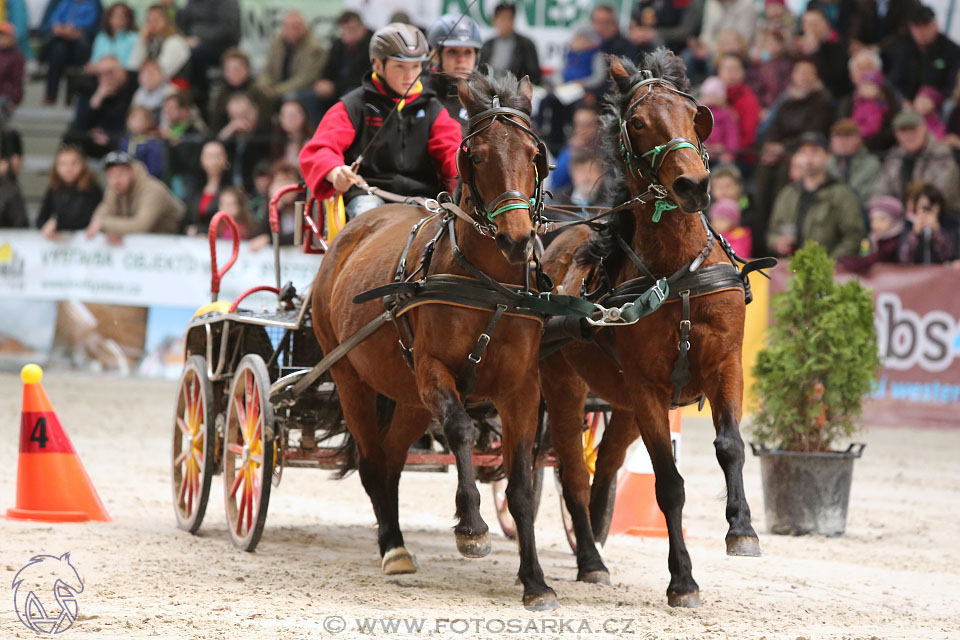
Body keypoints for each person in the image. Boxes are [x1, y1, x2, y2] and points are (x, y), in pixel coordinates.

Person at [299, 23, 461, 219]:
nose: (409, 76)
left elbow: (453, 157)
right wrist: (335, 172)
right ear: (377, 65)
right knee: (369, 220)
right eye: (399, 66)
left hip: (425, 199)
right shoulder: (354, 105)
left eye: (416, 66)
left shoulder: (433, 109)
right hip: (367, 196)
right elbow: (319, 150)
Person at [767, 132, 865, 258]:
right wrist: (777, 243)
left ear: (827, 156)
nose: (808, 159)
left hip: (828, 272)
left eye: (814, 152)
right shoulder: (788, 193)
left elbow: (854, 237)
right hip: (790, 268)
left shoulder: (842, 194)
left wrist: (829, 263)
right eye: (803, 152)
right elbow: (772, 232)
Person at [86, 150, 185, 240]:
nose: (116, 180)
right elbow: (100, 214)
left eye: (121, 173)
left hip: (178, 240)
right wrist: (112, 229)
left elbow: (142, 225)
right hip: (148, 244)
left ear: (132, 172)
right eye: (111, 175)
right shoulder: (114, 188)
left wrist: (106, 225)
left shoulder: (152, 189)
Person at [872, 109, 960, 210]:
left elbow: (941, 194)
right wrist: (881, 209)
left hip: (941, 215)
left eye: (913, 129)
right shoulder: (895, 156)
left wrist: (914, 211)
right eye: (903, 130)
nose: (908, 135)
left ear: (924, 129)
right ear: (896, 134)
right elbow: (879, 189)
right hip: (902, 217)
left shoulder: (941, 154)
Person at [884, 5, 960, 101]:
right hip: (906, 105)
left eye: (925, 25)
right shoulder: (901, 49)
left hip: (937, 105)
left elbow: (951, 86)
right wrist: (903, 101)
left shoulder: (952, 51)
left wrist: (933, 101)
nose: (921, 31)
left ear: (935, 25)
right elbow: (895, 82)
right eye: (917, 26)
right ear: (911, 29)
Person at [65, 55, 136, 158]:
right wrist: (95, 101)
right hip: (92, 141)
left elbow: (133, 124)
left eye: (110, 72)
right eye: (101, 74)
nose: (106, 78)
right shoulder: (89, 88)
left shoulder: (133, 88)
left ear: (123, 72)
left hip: (118, 141)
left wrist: (110, 138)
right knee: (70, 137)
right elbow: (79, 124)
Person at [176, 0, 241, 111]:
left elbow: (228, 29)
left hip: (222, 45)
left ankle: (200, 99)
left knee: (195, 55)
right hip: (193, 42)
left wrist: (200, 38)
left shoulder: (228, 3)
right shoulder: (192, 3)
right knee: (176, 49)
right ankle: (178, 95)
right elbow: (183, 22)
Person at [309, 10, 372, 123]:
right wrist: (322, 82)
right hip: (337, 88)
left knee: (349, 96)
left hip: (359, 89)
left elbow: (364, 76)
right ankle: (321, 132)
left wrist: (334, 86)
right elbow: (328, 68)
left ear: (363, 27)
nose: (348, 34)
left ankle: (346, 134)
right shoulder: (339, 44)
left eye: (352, 30)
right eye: (345, 30)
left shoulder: (373, 45)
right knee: (308, 97)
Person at [426, 13, 483, 131]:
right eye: (452, 51)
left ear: (476, 57)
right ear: (436, 56)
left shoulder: (486, 99)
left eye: (468, 52)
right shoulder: (420, 94)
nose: (461, 59)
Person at [257, 11, 326, 105]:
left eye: (296, 27)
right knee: (256, 90)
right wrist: (264, 85)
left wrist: (276, 91)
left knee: (289, 96)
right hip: (276, 86)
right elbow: (268, 68)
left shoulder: (314, 48)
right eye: (288, 26)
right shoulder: (277, 40)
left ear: (304, 27)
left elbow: (304, 79)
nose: (292, 30)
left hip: (300, 90)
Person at [40, 0, 102, 105]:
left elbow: (95, 26)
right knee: (58, 50)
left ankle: (78, 94)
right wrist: (60, 30)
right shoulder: (63, 2)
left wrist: (78, 31)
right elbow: (50, 23)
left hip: (81, 47)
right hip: (61, 44)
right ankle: (51, 95)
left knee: (77, 44)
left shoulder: (94, 4)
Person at [37, 144, 103, 238]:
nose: (68, 169)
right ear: (56, 166)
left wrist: (56, 223)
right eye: (63, 164)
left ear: (84, 164)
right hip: (59, 245)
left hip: (87, 244)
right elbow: (41, 219)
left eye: (74, 163)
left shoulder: (92, 189)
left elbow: (83, 220)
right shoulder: (54, 188)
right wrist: (46, 226)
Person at [218, 92, 271, 195]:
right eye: (234, 117)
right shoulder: (230, 138)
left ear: (255, 112)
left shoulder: (265, 135)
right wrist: (227, 132)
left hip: (255, 192)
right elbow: (214, 149)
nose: (239, 123)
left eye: (244, 115)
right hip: (230, 192)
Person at [207, 48, 271, 133]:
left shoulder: (258, 92)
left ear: (247, 69)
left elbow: (264, 123)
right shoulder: (222, 93)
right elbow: (215, 125)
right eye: (228, 70)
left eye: (236, 69)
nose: (232, 73)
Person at [837, 196, 907, 272]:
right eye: (873, 220)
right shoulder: (874, 239)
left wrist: (847, 262)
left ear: (894, 221)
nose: (876, 225)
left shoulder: (894, 243)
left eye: (882, 219)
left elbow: (872, 260)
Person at [795, 7, 851, 98]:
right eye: (807, 24)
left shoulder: (838, 45)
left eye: (814, 24)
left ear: (826, 24)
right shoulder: (799, 48)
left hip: (832, 95)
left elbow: (835, 77)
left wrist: (816, 51)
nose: (811, 28)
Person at [480, 3, 541, 86]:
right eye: (502, 18)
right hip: (489, 88)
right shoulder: (487, 45)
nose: (506, 23)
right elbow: (480, 72)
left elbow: (534, 76)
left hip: (514, 91)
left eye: (509, 19)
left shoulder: (526, 45)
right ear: (494, 21)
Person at [160, 91, 207, 198]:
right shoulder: (167, 132)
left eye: (172, 108)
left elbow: (193, 166)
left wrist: (176, 145)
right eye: (165, 108)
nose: (167, 111)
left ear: (185, 110)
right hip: (167, 181)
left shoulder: (195, 134)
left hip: (186, 184)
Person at [127, 4, 190, 81]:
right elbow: (133, 66)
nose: (151, 24)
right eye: (148, 21)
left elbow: (161, 73)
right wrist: (142, 41)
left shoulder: (175, 42)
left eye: (156, 20)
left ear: (168, 21)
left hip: (173, 88)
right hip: (151, 84)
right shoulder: (153, 41)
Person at [827, 118, 881, 207]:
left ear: (859, 140)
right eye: (838, 136)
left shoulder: (871, 164)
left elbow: (864, 196)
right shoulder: (827, 163)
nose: (842, 141)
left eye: (848, 136)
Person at [898, 183, 956, 263]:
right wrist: (915, 233)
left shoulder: (951, 225)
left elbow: (950, 256)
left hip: (941, 273)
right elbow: (904, 258)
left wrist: (937, 231)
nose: (926, 212)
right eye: (922, 207)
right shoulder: (909, 225)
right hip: (918, 273)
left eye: (929, 207)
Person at [549, 104, 600, 192]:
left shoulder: (608, 150)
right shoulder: (569, 151)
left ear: (598, 126)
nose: (582, 130)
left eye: (587, 125)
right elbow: (556, 182)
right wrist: (571, 151)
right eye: (578, 125)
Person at [185, 139, 230, 236]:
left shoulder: (231, 191)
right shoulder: (194, 191)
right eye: (209, 156)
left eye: (217, 156)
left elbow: (230, 224)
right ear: (202, 160)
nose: (214, 161)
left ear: (225, 159)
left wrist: (201, 231)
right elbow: (186, 221)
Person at [716, 53, 759, 154]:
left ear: (743, 72)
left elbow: (749, 136)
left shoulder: (748, 99)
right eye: (727, 69)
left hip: (739, 154)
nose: (731, 73)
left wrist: (727, 150)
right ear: (719, 72)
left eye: (735, 69)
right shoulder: (710, 95)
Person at [699, 76, 739, 165]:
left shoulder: (727, 114)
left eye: (714, 95)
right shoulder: (699, 113)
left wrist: (729, 153)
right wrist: (704, 147)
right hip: (703, 154)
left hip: (721, 155)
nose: (711, 99)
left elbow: (732, 136)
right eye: (708, 95)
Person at [90, 2, 137, 68]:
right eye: (115, 16)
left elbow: (133, 66)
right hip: (100, 74)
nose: (118, 20)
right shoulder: (101, 37)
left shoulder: (134, 38)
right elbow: (93, 61)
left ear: (128, 19)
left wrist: (112, 64)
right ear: (109, 18)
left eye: (122, 16)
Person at [271, 99, 312, 167]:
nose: (290, 119)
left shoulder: (311, 142)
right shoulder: (277, 142)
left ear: (304, 116)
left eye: (293, 114)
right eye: (285, 115)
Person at [0, 22, 25, 116]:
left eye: (5, 36)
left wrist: (14, 100)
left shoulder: (16, 58)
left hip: (6, 97)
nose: (2, 39)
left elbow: (17, 82)